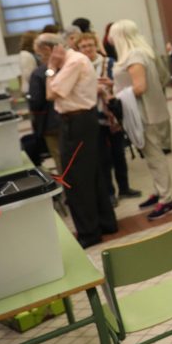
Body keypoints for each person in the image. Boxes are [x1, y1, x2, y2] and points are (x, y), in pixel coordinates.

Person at [42, 33, 118, 248]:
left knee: (76, 179)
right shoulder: (74, 61)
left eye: (43, 54)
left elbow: (51, 93)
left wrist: (50, 68)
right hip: (81, 120)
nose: (42, 59)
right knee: (92, 174)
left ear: (52, 50)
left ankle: (89, 232)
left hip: (78, 123)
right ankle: (106, 222)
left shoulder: (73, 62)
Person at [109, 20, 172, 221]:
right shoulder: (141, 52)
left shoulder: (134, 55)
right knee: (151, 155)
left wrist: (116, 95)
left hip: (144, 114)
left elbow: (139, 87)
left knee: (155, 157)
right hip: (143, 112)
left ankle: (167, 199)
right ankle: (160, 191)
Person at [77, 32, 140, 206]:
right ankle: (109, 193)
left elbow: (121, 83)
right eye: (83, 47)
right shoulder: (78, 67)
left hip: (112, 114)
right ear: (79, 49)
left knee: (118, 153)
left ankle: (125, 188)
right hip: (92, 116)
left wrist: (110, 85)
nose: (88, 49)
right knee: (103, 157)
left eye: (90, 45)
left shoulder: (110, 62)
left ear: (96, 45)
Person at [29, 34, 62, 172]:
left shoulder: (39, 73)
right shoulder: (70, 65)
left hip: (50, 124)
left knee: (61, 160)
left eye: (38, 53)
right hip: (73, 120)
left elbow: (36, 102)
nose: (38, 57)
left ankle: (71, 192)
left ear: (46, 49)